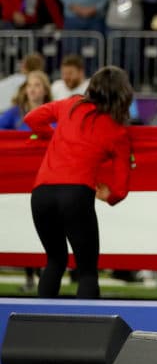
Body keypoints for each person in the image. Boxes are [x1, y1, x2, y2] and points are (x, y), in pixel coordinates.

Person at [24, 66, 134, 298]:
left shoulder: (71, 104)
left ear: (91, 87)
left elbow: (31, 118)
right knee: (87, 271)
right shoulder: (117, 131)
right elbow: (121, 188)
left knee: (55, 261)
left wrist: (55, 136)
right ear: (122, 95)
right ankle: (88, 321)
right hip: (76, 194)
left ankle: (40, 318)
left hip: (41, 194)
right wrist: (110, 196)